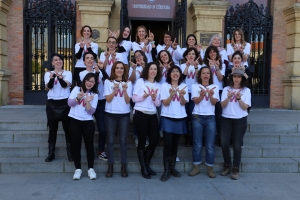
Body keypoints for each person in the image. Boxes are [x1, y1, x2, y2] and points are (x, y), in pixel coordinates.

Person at [220, 58, 251, 180]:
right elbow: (222, 105)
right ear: (231, 78)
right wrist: (228, 98)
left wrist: (239, 99)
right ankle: (227, 165)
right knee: (224, 143)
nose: (236, 79)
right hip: (226, 119)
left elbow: (245, 108)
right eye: (235, 77)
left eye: (239, 77)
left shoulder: (246, 91)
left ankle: (236, 168)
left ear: (242, 78)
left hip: (240, 120)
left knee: (237, 145)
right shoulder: (226, 89)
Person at [132, 62, 162, 179]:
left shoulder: (158, 85)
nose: (153, 71)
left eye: (155, 69)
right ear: (147, 71)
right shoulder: (140, 82)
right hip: (140, 113)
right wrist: (143, 97)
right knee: (142, 141)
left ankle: (146, 165)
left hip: (152, 114)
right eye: (151, 69)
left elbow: (158, 103)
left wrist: (154, 99)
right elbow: (134, 98)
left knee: (154, 140)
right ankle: (144, 168)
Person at [189, 66, 219, 178]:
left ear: (210, 75)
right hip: (197, 117)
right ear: (200, 75)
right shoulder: (195, 86)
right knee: (197, 144)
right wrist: (202, 95)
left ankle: (210, 168)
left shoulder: (215, 87)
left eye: (207, 73)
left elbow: (214, 103)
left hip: (210, 117)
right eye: (203, 73)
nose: (205, 75)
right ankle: (196, 166)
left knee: (210, 145)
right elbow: (196, 101)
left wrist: (210, 95)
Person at [160, 65, 188, 182]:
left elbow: (183, 103)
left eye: (177, 71)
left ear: (180, 74)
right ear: (169, 74)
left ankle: (172, 168)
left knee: (175, 144)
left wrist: (181, 95)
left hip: (180, 117)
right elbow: (165, 103)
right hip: (167, 117)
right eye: (173, 71)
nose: (175, 73)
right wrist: (171, 95)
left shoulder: (184, 86)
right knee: (167, 144)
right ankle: (166, 169)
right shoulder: (164, 86)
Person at [79, 52, 109, 161]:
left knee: (102, 129)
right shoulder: (82, 74)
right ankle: (88, 150)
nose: (90, 60)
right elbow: (93, 85)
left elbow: (108, 79)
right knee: (87, 128)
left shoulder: (99, 71)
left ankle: (101, 150)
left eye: (92, 58)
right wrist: (97, 73)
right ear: (84, 61)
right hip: (87, 102)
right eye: (87, 58)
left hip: (100, 103)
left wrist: (101, 70)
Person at [104, 61, 132, 178]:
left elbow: (128, 101)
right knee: (110, 140)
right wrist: (114, 90)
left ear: (124, 70)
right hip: (110, 114)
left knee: (123, 140)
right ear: (113, 70)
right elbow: (108, 100)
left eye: (121, 68)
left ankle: (123, 166)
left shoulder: (128, 83)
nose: (119, 70)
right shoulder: (108, 82)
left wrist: (124, 89)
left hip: (124, 114)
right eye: (117, 68)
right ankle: (110, 166)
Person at [68, 73, 98, 180]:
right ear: (84, 80)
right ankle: (78, 169)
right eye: (88, 80)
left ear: (94, 84)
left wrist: (88, 101)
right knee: (76, 145)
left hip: (87, 122)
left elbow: (91, 111)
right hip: (74, 120)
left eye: (92, 81)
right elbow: (69, 103)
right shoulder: (76, 89)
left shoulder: (95, 95)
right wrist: (78, 97)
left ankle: (90, 169)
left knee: (89, 146)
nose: (89, 83)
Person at [44, 53, 72, 162]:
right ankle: (51, 153)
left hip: (65, 104)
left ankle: (70, 152)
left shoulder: (68, 73)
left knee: (67, 129)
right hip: (52, 104)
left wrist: (60, 78)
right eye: (56, 60)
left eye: (60, 59)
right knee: (52, 129)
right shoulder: (48, 74)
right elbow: (49, 87)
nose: (58, 61)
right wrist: (52, 78)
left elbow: (66, 85)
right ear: (52, 63)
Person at [203, 46, 226, 146]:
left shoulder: (222, 65)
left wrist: (216, 68)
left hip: (218, 91)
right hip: (206, 91)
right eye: (210, 52)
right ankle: (205, 139)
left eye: (214, 52)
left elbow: (221, 79)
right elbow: (202, 78)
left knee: (218, 116)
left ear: (217, 53)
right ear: (207, 54)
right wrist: (209, 67)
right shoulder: (203, 65)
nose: (212, 54)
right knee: (206, 115)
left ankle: (220, 139)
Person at [180, 47, 203, 147]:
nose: (191, 56)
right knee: (185, 117)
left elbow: (200, 79)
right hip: (184, 94)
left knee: (194, 116)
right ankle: (187, 138)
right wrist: (187, 66)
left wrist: (196, 67)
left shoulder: (200, 66)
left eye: (193, 54)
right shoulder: (181, 66)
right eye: (189, 54)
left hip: (195, 94)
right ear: (185, 56)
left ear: (196, 56)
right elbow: (181, 79)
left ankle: (195, 137)